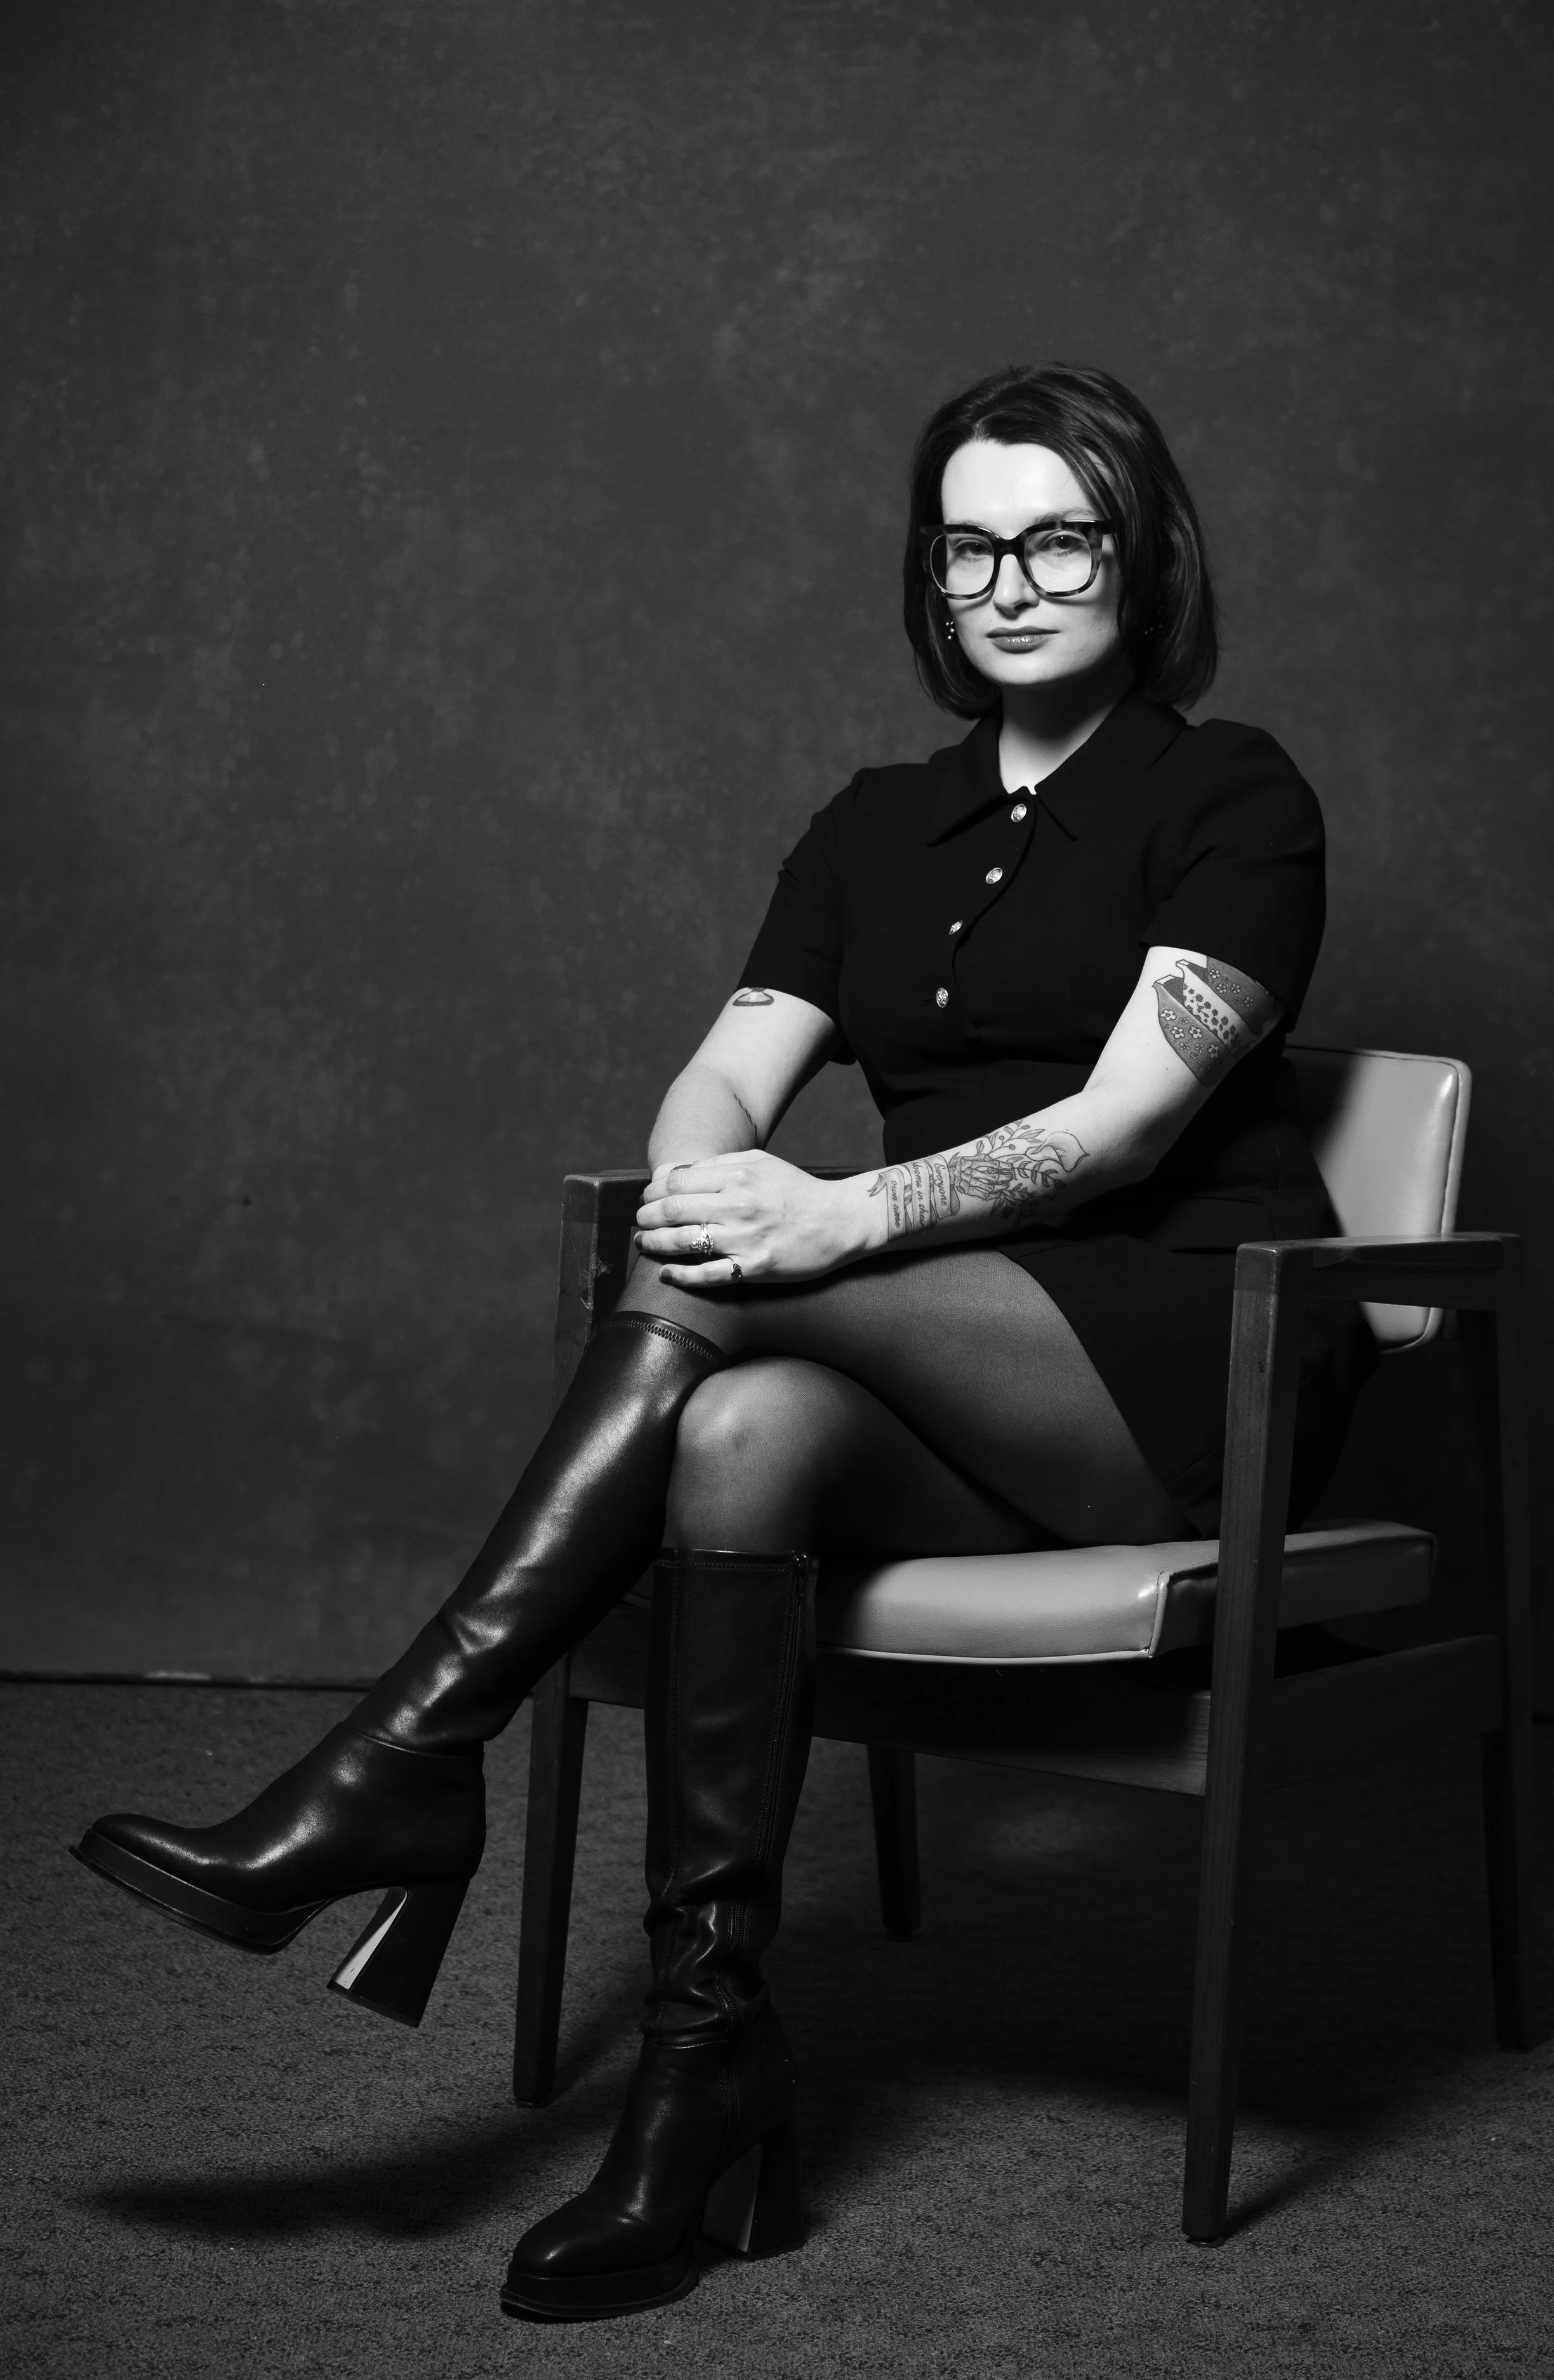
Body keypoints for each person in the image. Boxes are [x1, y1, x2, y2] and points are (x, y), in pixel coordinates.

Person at [72, 362, 1373, 2324]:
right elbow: (723, 1080)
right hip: (941, 1356)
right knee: (735, 1432)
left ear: (1142, 555)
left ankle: (404, 1757)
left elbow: (1124, 1127)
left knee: (729, 1286)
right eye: (966, 548)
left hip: (1190, 1348)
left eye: (1057, 539)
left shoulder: (1232, 796)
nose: (1009, 584)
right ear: (927, 578)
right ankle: (702, 2068)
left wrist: (832, 1217)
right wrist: (708, 1191)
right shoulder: (872, 825)